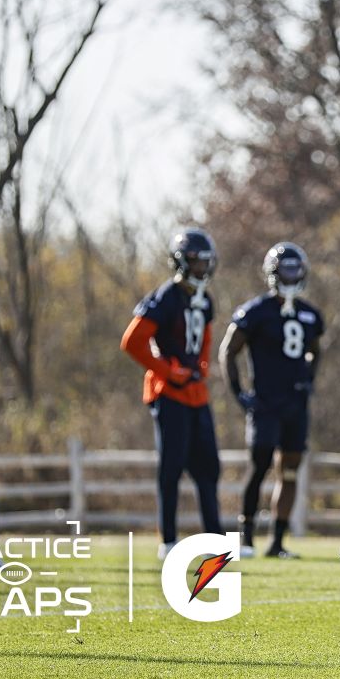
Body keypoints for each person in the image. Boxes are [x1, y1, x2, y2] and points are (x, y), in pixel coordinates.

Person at [120, 228, 223, 559]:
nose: (201, 269)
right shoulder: (166, 296)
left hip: (196, 393)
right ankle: (168, 539)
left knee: (208, 467)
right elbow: (132, 341)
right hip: (170, 393)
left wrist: (202, 365)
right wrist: (167, 370)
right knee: (172, 466)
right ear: (180, 262)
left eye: (205, 262)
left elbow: (205, 335)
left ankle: (215, 539)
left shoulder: (204, 299)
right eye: (195, 262)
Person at [220, 242, 324, 560]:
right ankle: (246, 537)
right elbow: (228, 351)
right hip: (265, 403)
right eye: (286, 270)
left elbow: (316, 351)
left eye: (296, 270)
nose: (292, 276)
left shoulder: (310, 314)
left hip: (295, 404)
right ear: (273, 273)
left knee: (290, 471)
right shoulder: (255, 312)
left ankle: (277, 541)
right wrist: (239, 394)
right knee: (259, 467)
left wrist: (308, 379)